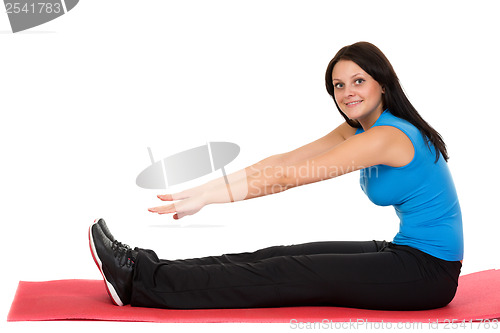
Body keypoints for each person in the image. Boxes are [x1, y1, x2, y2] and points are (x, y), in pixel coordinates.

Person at [89, 41, 463, 310]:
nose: (347, 92)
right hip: (404, 252)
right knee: (276, 255)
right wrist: (204, 189)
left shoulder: (386, 136)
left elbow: (291, 177)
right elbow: (282, 161)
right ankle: (141, 266)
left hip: (427, 273)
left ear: (383, 82)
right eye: (338, 85)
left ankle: (137, 283)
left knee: (287, 272)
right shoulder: (362, 127)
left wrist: (212, 198)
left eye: (358, 81)